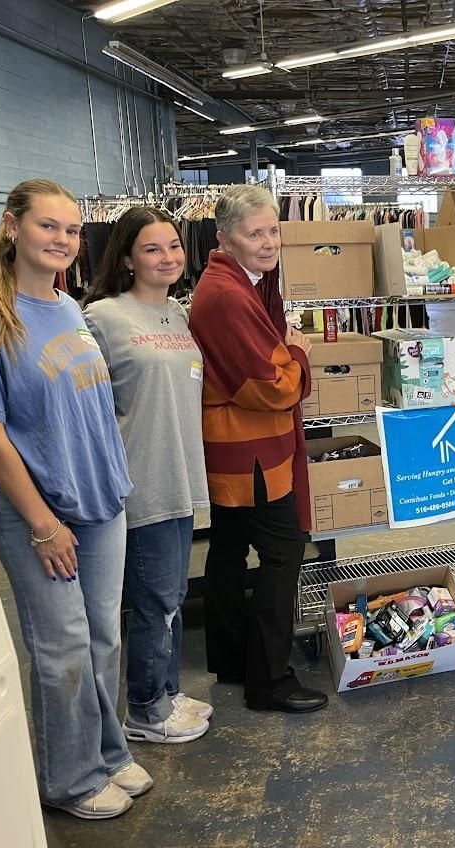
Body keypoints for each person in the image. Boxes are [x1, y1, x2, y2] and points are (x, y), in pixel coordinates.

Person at [0, 179, 148, 820]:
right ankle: (71, 779)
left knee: (102, 640)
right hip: (42, 512)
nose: (63, 239)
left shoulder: (70, 308)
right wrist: (42, 525)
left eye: (72, 230)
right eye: (48, 227)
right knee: (61, 652)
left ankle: (109, 754)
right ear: (12, 226)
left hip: (102, 502)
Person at [187, 184, 328, 713]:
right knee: (283, 551)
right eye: (255, 234)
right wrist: (296, 350)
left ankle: (231, 658)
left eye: (273, 230)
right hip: (249, 452)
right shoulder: (227, 296)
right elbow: (269, 386)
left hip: (237, 445)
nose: (269, 243)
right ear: (224, 237)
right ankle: (268, 680)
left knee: (227, 549)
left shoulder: (242, 283)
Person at [82, 208, 212, 744]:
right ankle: (145, 708)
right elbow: (88, 409)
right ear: (128, 257)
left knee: (172, 593)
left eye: (174, 246)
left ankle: (166, 688)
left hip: (181, 474)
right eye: (153, 248)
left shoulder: (179, 315)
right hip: (140, 478)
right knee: (154, 598)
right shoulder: (103, 318)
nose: (168, 257)